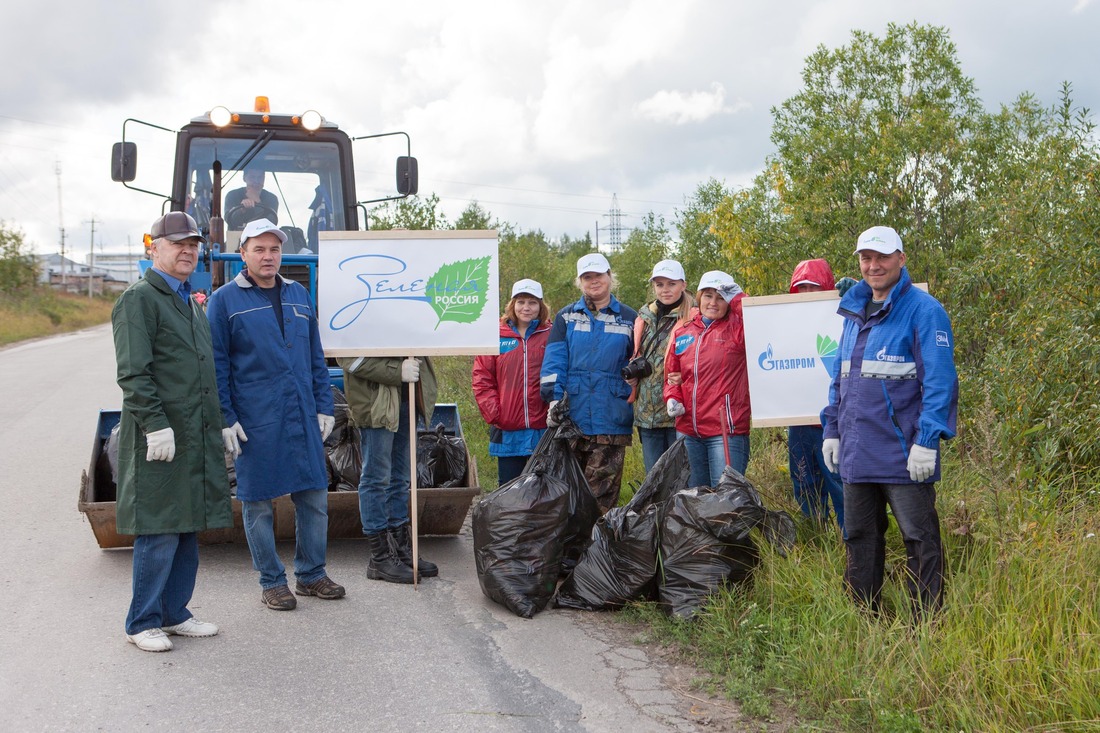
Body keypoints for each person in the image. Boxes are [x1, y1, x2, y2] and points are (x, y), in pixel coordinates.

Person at [206, 218, 344, 611]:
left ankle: (312, 575)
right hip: (255, 417)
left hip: (300, 411)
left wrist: (324, 404)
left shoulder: (299, 294)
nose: (268, 257)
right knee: (258, 502)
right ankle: (271, 580)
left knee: (314, 496)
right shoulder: (224, 301)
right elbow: (216, 365)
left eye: (275, 249)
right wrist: (224, 416)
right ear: (244, 253)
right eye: (260, 249)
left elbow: (315, 357)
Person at [822, 225, 958, 619]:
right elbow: (840, 378)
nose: (873, 265)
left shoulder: (924, 310)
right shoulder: (852, 312)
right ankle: (866, 619)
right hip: (856, 453)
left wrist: (927, 440)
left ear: (901, 258)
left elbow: (940, 381)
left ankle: (925, 624)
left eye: (882, 257)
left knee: (919, 539)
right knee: (860, 537)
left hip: (904, 454)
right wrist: (832, 430)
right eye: (866, 257)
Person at [111, 211, 232, 652]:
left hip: (192, 432)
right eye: (177, 243)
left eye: (193, 244)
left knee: (187, 523)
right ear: (154, 248)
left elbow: (202, 371)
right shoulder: (139, 299)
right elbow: (134, 374)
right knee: (159, 527)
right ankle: (141, 620)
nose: (187, 251)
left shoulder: (188, 300)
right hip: (160, 434)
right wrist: (156, 426)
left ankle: (174, 612)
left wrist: (219, 422)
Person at [540, 253, 637, 513]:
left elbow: (639, 362)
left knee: (601, 498)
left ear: (609, 277)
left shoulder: (630, 318)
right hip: (573, 416)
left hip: (611, 418)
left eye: (598, 275)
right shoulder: (566, 317)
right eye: (587, 277)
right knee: (567, 493)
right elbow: (554, 363)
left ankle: (596, 551)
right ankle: (568, 551)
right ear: (580, 282)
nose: (594, 281)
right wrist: (552, 399)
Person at [338, 354, 439, 584]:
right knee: (376, 478)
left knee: (401, 478)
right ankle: (380, 557)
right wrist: (397, 371)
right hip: (376, 402)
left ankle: (400, 549)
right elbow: (348, 358)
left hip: (407, 396)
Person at [664, 270, 751, 487]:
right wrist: (673, 398)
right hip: (688, 430)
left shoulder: (739, 330)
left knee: (727, 497)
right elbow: (671, 377)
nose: (713, 302)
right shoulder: (683, 332)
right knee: (695, 498)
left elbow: (759, 318)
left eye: (721, 297)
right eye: (708, 295)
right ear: (699, 297)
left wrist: (739, 297)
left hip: (725, 431)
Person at [472, 279, 552, 486]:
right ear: (512, 305)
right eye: (521, 302)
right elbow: (482, 378)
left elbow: (559, 373)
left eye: (532, 303)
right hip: (507, 428)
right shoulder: (495, 335)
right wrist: (495, 413)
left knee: (541, 491)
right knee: (508, 490)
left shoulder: (550, 335)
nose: (526, 308)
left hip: (542, 428)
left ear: (541, 306)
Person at [786, 258, 845, 529]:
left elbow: (878, 306)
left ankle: (851, 540)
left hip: (834, 421)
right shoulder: (784, 320)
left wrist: (857, 290)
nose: (807, 293)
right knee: (804, 483)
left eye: (813, 287)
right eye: (802, 288)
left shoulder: (845, 315)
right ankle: (815, 538)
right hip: (798, 420)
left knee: (840, 485)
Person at [630, 259, 694, 473]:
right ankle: (655, 508)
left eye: (671, 283)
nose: (665, 289)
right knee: (654, 477)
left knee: (681, 476)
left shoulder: (694, 317)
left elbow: (702, 359)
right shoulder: (643, 317)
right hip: (647, 413)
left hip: (679, 412)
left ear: (683, 285)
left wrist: (685, 376)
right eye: (660, 284)